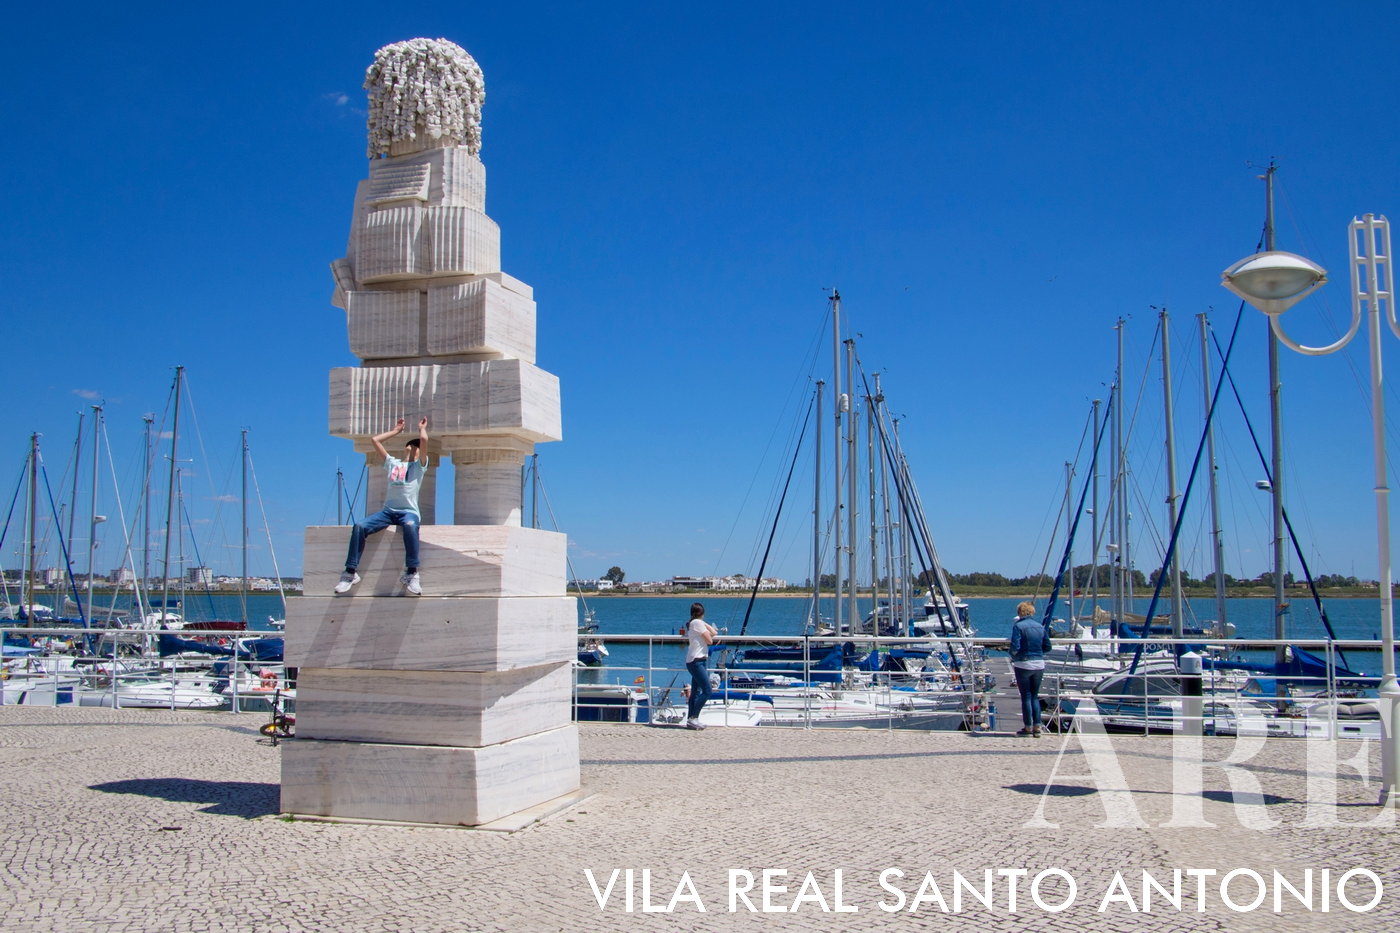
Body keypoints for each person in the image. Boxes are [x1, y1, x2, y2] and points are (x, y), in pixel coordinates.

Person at [334, 417, 429, 597]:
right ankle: (350, 573)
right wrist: (395, 431)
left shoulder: (419, 467)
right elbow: (375, 441)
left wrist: (421, 429)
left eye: (418, 448)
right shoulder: (393, 464)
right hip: (388, 511)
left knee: (410, 526)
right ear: (406, 448)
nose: (416, 448)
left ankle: (412, 573)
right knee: (360, 526)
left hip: (408, 512)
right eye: (412, 446)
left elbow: (424, 441)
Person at [1008, 600, 1051, 736]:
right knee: (1034, 696)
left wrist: (1013, 655)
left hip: (1023, 664)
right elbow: (1047, 646)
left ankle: (1027, 727)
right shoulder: (1040, 626)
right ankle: (1037, 727)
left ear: (1020, 612)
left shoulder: (1018, 626)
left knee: (1026, 696)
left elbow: (1015, 646)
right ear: (1032, 612)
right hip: (1039, 663)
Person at [681, 602, 717, 730]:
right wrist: (701, 621)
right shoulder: (697, 623)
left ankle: (691, 719)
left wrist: (702, 621)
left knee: (696, 692)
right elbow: (710, 640)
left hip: (697, 660)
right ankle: (693, 718)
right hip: (696, 661)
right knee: (707, 690)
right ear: (702, 613)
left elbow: (713, 632)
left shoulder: (695, 623)